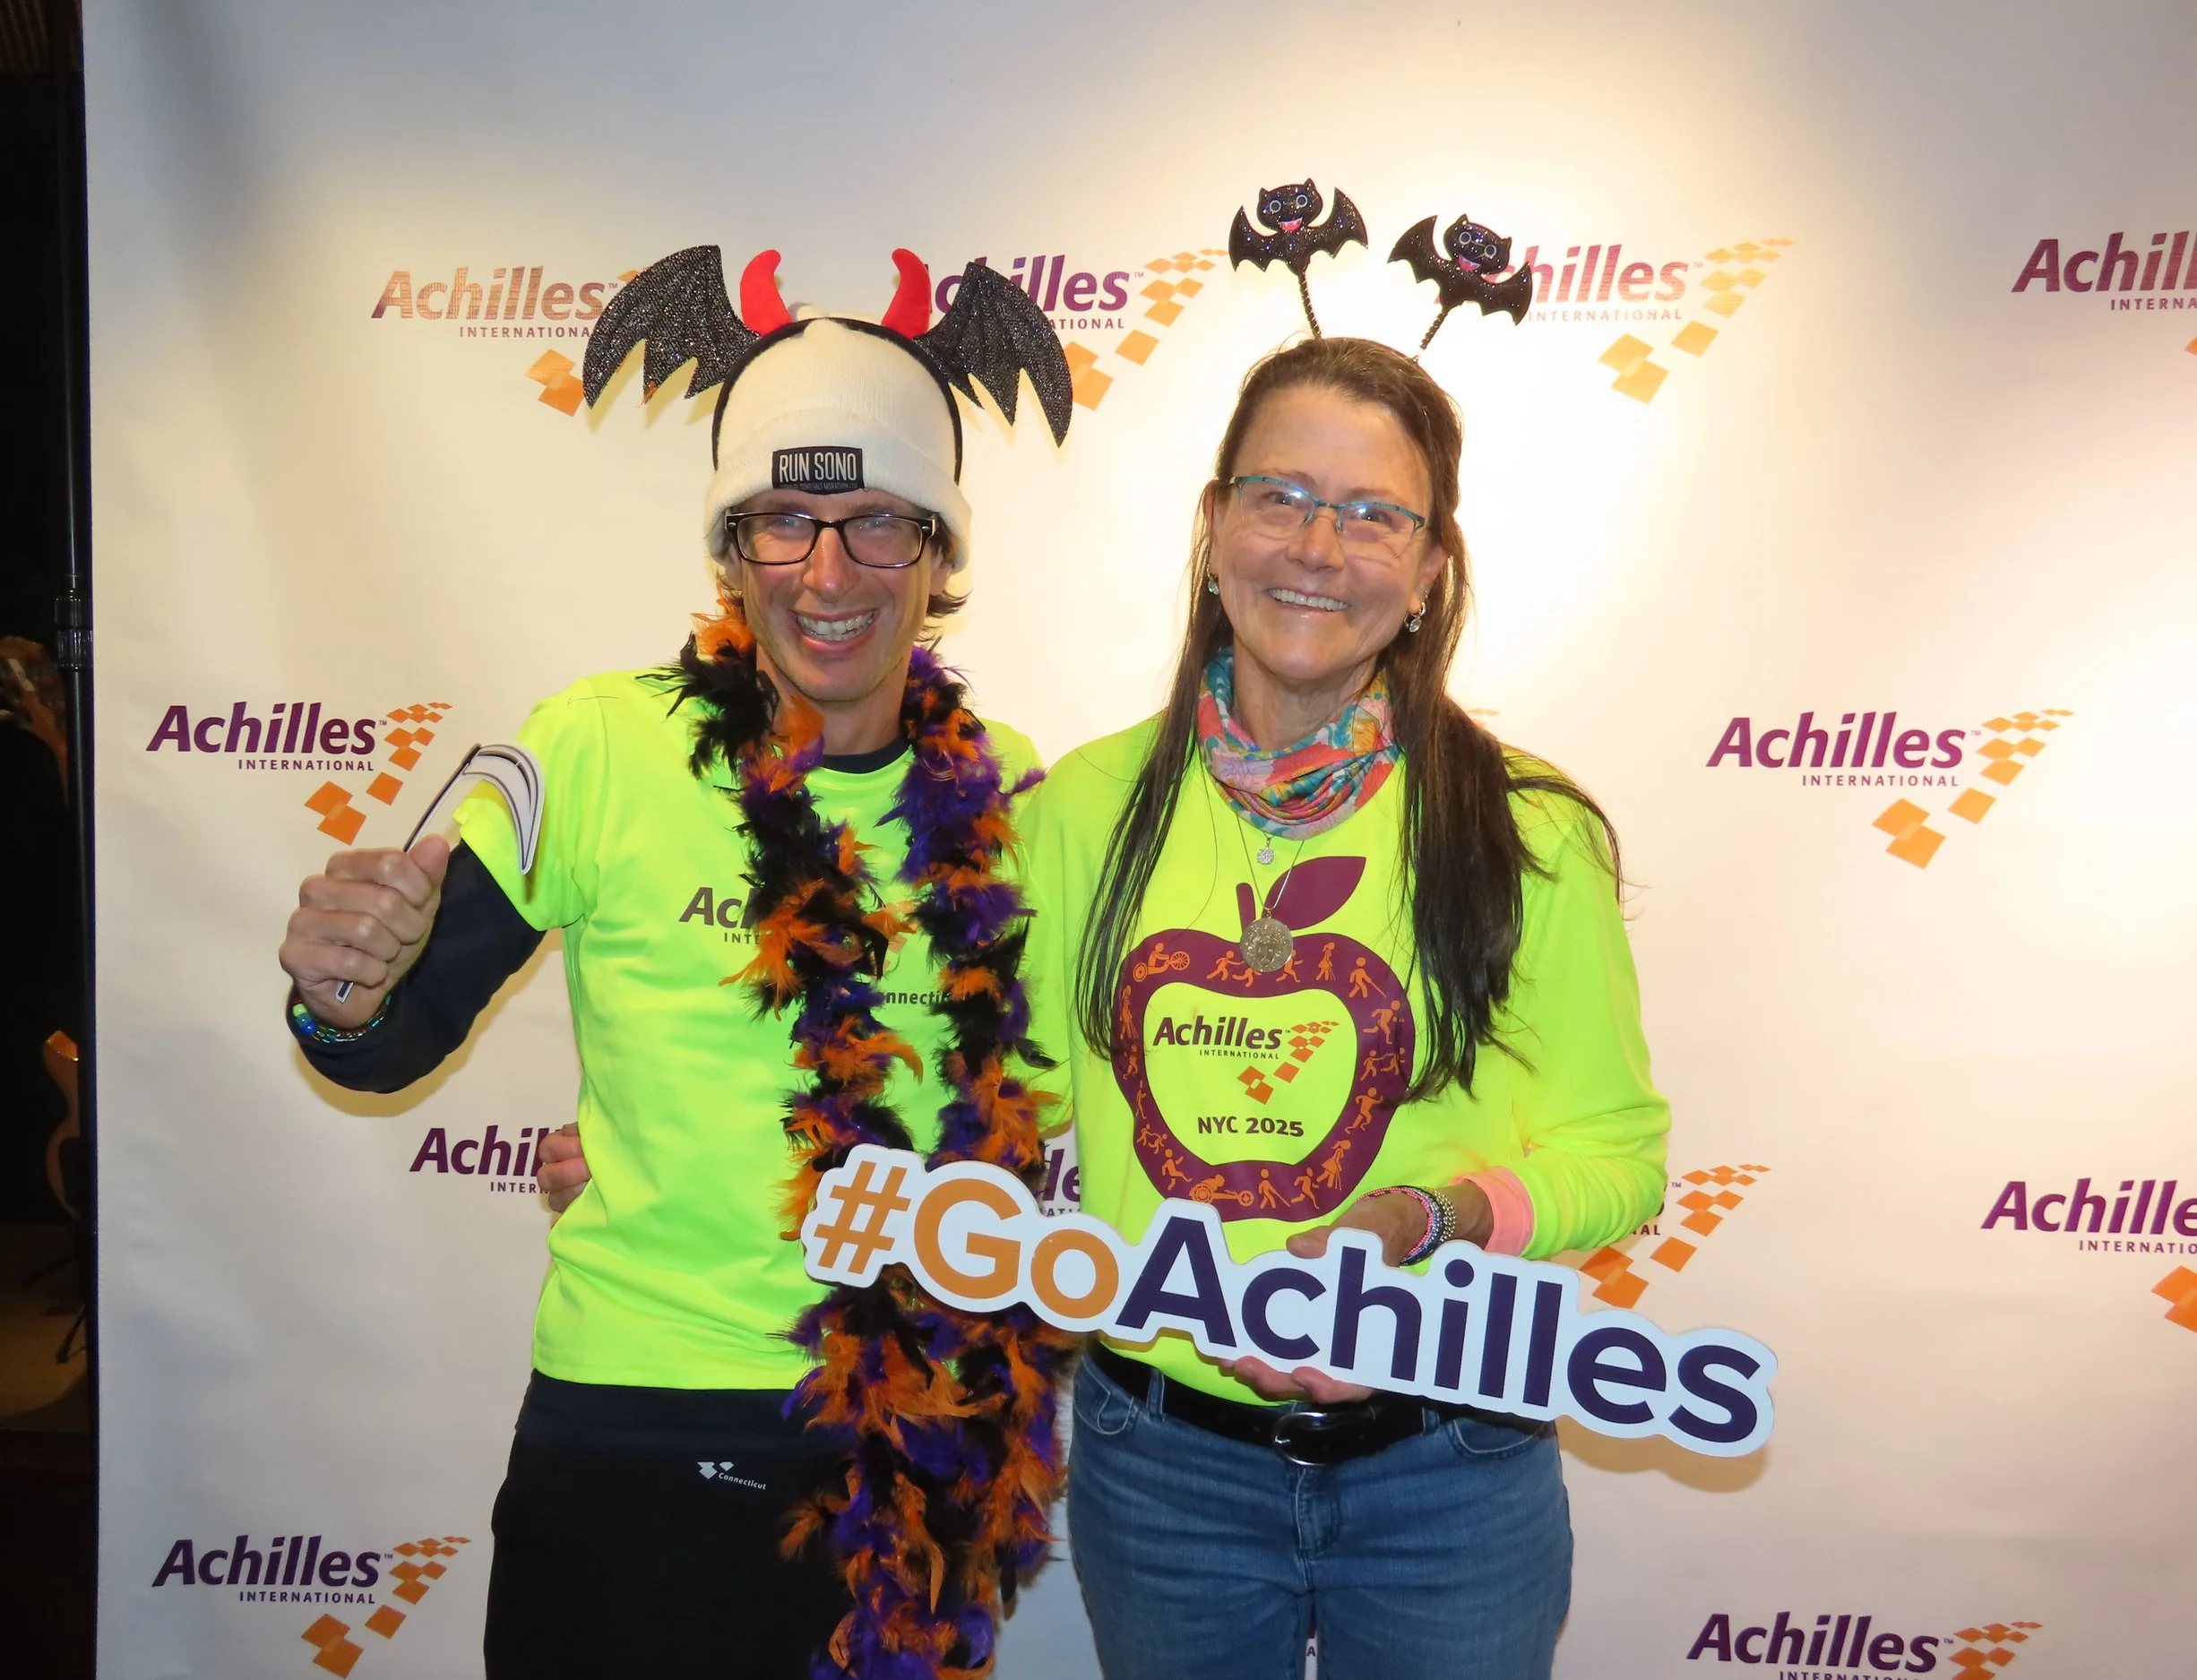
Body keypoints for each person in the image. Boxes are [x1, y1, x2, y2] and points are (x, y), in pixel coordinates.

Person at [276, 246, 1073, 1680]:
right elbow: (388, 1031)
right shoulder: (597, 743)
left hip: (902, 1461)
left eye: (876, 523)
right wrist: (341, 991)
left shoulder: (1011, 792)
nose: (827, 574)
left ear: (940, 554)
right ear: (729, 551)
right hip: (633, 1431)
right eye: (783, 521)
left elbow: (1045, 1116)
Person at [1017, 334, 1670, 1680]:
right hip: (1164, 1473)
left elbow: (1618, 1158)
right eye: (1279, 496)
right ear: (1211, 528)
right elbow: (983, 1112)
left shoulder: (1529, 831)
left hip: (1451, 1471)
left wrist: (1425, 1222)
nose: (1318, 545)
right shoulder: (1079, 811)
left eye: (1375, 513)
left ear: (1430, 572)